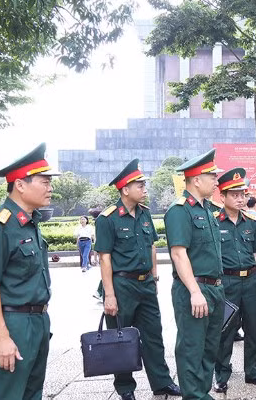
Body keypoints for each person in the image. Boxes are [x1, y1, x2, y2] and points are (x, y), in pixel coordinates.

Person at [0, 143, 59, 400]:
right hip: (12, 324)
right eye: (44, 181)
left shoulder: (30, 223)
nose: (50, 187)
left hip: (37, 321)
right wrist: (1, 337)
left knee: (32, 394)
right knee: (7, 395)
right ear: (20, 185)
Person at [95, 159, 180, 400]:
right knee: (121, 338)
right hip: (121, 285)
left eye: (144, 185)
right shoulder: (107, 218)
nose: (145, 189)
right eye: (140, 185)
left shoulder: (144, 214)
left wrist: (154, 277)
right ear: (125, 189)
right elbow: (104, 259)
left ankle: (162, 382)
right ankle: (125, 388)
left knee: (154, 335)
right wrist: (109, 295)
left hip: (145, 284)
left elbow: (152, 246)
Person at [164, 149, 225, 400]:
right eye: (212, 176)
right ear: (196, 180)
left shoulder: (207, 210)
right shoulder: (179, 211)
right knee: (191, 347)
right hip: (195, 289)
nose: (216, 180)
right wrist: (195, 291)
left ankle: (201, 392)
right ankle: (194, 396)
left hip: (214, 288)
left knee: (210, 347)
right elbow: (179, 254)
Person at [213, 168, 256, 393]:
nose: (240, 199)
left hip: (250, 283)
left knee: (252, 328)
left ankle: (253, 372)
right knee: (225, 330)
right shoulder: (215, 223)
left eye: (243, 194)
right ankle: (221, 375)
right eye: (235, 195)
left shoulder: (250, 222)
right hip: (226, 283)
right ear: (223, 197)